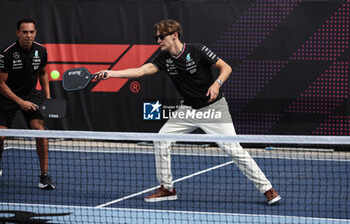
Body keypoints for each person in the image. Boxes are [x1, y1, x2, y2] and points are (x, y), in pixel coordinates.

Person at [96, 19, 280, 205]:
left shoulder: (197, 50)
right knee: (161, 140)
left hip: (214, 109)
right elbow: (141, 71)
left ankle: (268, 189)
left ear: (174, 35)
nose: (157, 41)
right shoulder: (163, 59)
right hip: (188, 110)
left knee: (234, 150)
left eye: (161, 37)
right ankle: (167, 188)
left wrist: (217, 84)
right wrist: (112, 73)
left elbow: (226, 68)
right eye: (156, 37)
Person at [0, 18, 55, 190]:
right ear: (18, 33)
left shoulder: (42, 51)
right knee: (0, 136)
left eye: (31, 32)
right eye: (24, 32)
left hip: (30, 94)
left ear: (35, 33)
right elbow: (1, 84)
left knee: (40, 131)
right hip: (7, 96)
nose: (28, 35)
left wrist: (48, 97)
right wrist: (20, 102)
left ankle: (44, 176)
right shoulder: (6, 54)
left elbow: (44, 73)